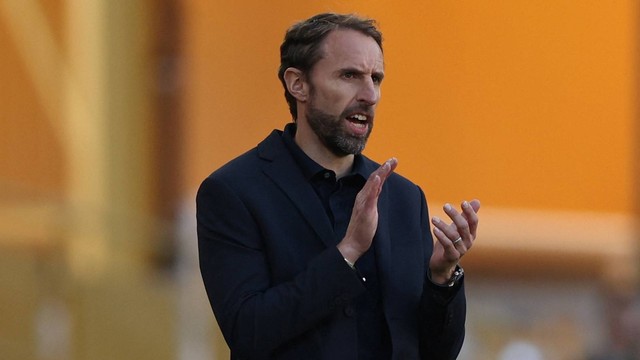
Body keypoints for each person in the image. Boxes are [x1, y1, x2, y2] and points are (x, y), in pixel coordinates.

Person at [197, 12, 481, 360]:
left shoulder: (404, 199)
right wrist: (346, 254)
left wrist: (442, 277)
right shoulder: (234, 192)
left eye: (376, 78)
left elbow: (437, 351)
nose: (369, 94)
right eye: (350, 75)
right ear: (298, 84)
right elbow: (248, 331)